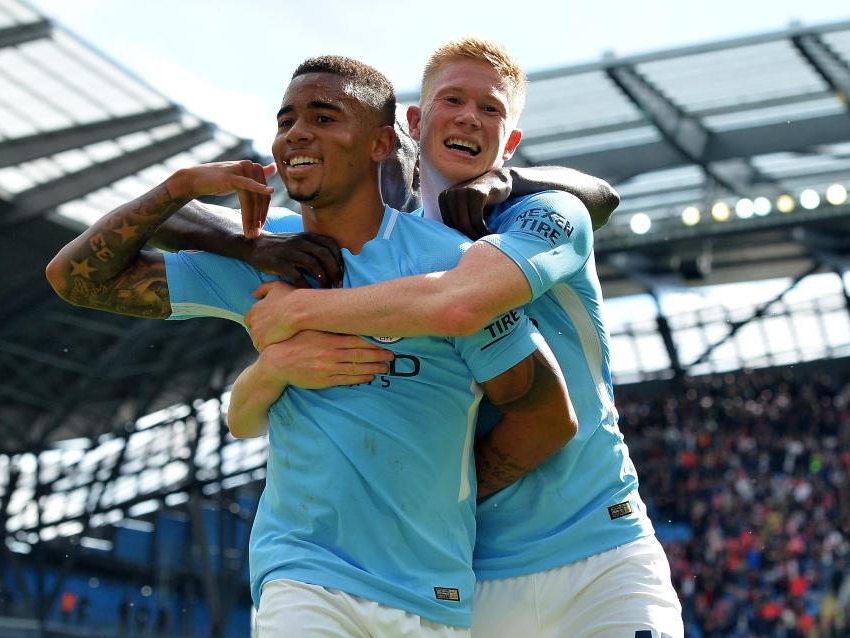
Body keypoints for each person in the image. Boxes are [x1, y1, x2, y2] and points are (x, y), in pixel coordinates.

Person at [46, 55, 576, 636]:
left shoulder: (447, 265)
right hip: (303, 577)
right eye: (286, 120)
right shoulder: (260, 259)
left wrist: (440, 501)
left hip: (430, 592)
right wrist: (178, 189)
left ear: (380, 144)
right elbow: (76, 278)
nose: (296, 132)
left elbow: (543, 410)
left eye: (324, 117)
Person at [228, 38, 684, 637]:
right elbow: (179, 240)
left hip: (604, 554)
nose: (470, 116)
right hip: (472, 581)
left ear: (510, 140)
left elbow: (460, 302)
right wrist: (214, 212)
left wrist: (302, 310)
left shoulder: (545, 211)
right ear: (414, 122)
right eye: (452, 99)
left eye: (491, 109)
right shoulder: (380, 241)